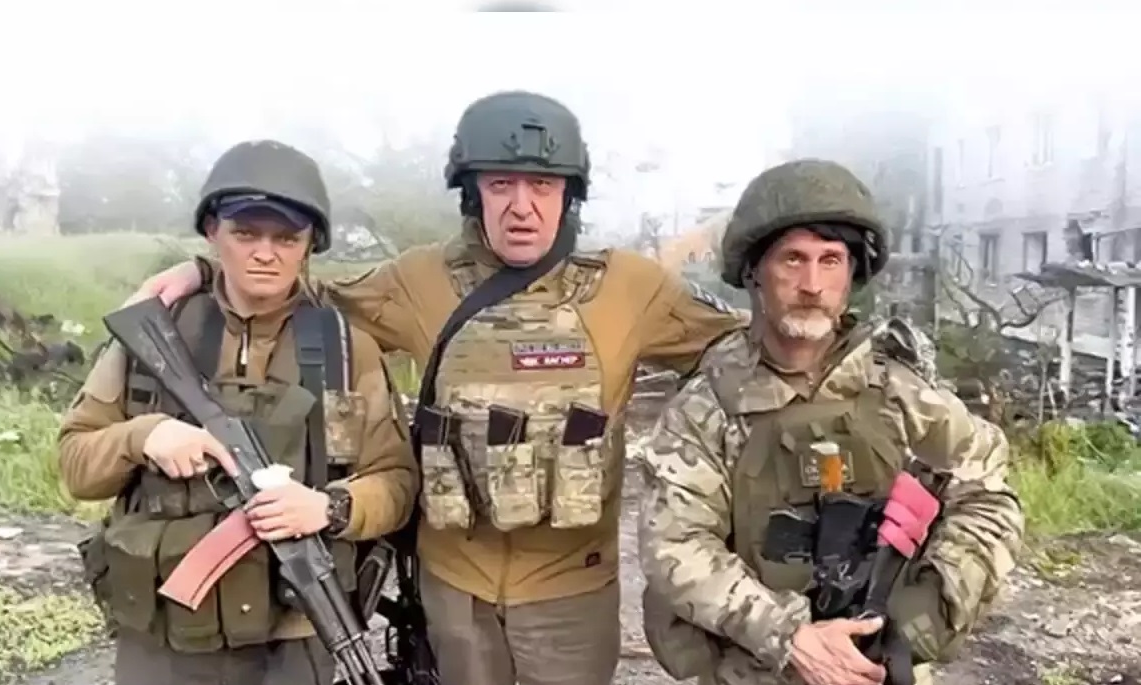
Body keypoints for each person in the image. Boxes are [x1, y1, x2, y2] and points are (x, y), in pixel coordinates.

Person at [132, 89, 746, 685]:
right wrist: (206, 269)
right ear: (472, 193)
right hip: (455, 591)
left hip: (572, 594)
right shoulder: (421, 279)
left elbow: (746, 349)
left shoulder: (630, 288)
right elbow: (301, 294)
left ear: (569, 195)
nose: (522, 206)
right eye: (500, 185)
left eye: (542, 185)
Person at [638, 158, 1025, 685]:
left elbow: (987, 491)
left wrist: (926, 609)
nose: (812, 284)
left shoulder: (900, 391)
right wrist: (790, 636)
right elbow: (674, 545)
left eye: (831, 260)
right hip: (754, 669)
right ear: (754, 273)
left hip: (878, 665)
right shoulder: (710, 407)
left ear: (851, 275)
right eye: (792, 259)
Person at [60, 139, 418, 685]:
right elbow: (76, 464)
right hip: (165, 634)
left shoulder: (346, 349)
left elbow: (397, 482)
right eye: (246, 234)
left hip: (294, 634)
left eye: (286, 238)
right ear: (212, 232)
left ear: (309, 245)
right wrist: (143, 436)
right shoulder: (156, 335)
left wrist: (329, 507)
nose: (265, 254)